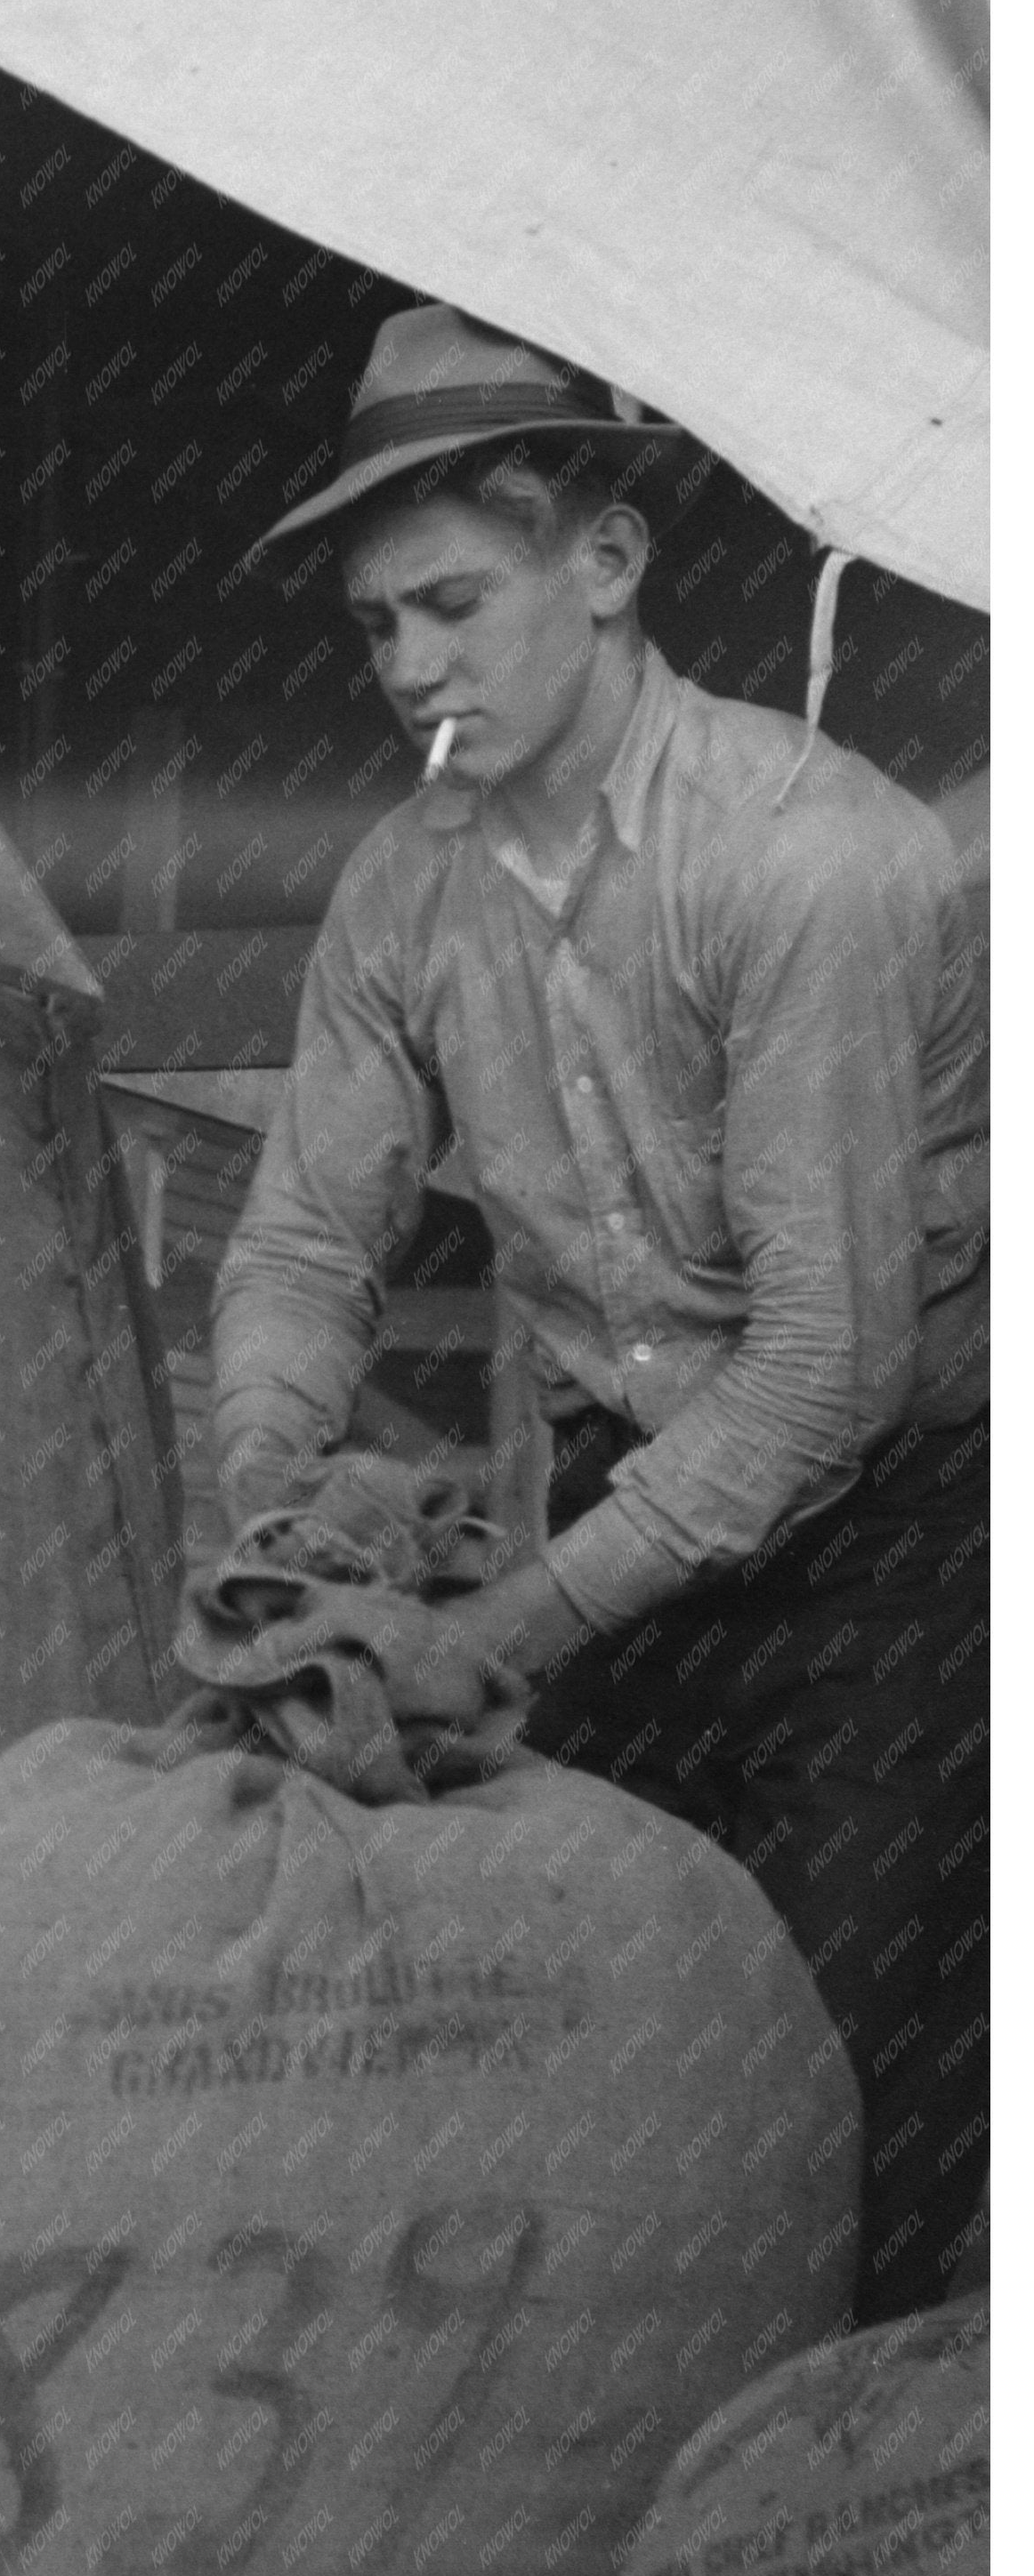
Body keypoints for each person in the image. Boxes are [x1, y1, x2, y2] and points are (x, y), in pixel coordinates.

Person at [212, 304, 988, 2323]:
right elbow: (309, 1242)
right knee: (600, 2041)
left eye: (454, 604)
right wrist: (275, 1511)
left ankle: (855, 2570)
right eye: (379, 629)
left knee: (836, 2067)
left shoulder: (814, 858)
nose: (411, 670)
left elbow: (829, 1371)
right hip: (634, 1494)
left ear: (611, 567)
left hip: (912, 1512)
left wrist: (510, 1619)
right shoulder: (400, 892)